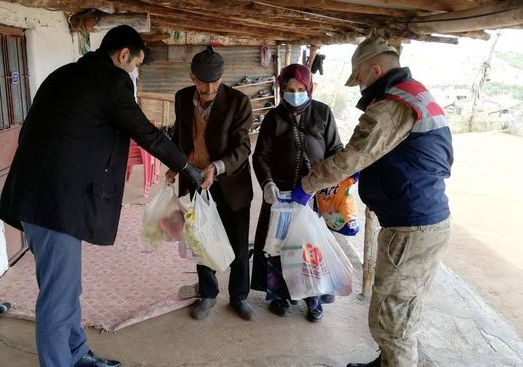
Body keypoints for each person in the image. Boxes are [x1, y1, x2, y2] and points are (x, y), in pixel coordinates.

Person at [0, 25, 202, 367]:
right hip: (53, 203)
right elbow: (145, 132)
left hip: (40, 196)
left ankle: (76, 354)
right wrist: (187, 167)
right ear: (123, 55)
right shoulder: (110, 81)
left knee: (65, 288)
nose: (133, 73)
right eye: (135, 65)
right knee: (57, 297)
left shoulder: (64, 74)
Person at [292, 36, 453, 367]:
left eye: (361, 79)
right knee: (400, 306)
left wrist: (308, 185)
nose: (360, 86)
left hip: (412, 226)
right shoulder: (416, 93)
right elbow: (411, 156)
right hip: (424, 219)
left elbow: (353, 155)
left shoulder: (392, 104)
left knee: (392, 321)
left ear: (376, 69)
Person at [166, 46, 254, 321]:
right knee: (201, 242)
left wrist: (216, 167)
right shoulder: (182, 98)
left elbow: (243, 147)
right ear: (192, 78)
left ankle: (239, 296)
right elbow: (180, 135)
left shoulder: (239, 101)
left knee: (239, 246)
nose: (209, 88)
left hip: (230, 182)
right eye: (203, 82)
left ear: (222, 77)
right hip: (194, 179)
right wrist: (174, 165)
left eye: (214, 82)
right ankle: (208, 294)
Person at [251, 64, 343, 322]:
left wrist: (328, 182)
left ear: (309, 88)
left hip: (314, 198)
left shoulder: (323, 113)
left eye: (301, 89)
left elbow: (336, 149)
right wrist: (267, 183)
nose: (295, 93)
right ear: (282, 90)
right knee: (280, 247)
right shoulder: (273, 118)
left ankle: (314, 300)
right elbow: (261, 157)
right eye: (290, 89)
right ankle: (281, 296)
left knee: (310, 249)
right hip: (280, 197)